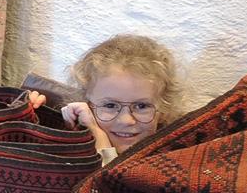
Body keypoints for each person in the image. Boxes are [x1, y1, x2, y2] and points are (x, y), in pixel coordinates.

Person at [30, 34, 181, 164]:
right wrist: (31, 118)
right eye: (110, 105)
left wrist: (102, 146)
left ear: (164, 109)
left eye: (141, 106)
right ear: (87, 105)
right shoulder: (75, 136)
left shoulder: (170, 160)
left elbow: (109, 185)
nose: (126, 120)